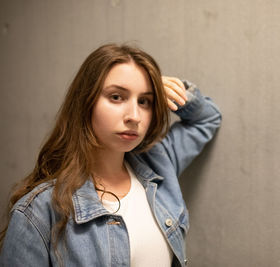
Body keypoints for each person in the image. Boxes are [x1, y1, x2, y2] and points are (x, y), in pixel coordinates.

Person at [0, 44, 221, 266]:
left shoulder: (158, 163)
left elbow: (208, 118)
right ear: (86, 103)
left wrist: (173, 90)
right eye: (116, 97)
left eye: (144, 101)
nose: (134, 116)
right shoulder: (39, 210)